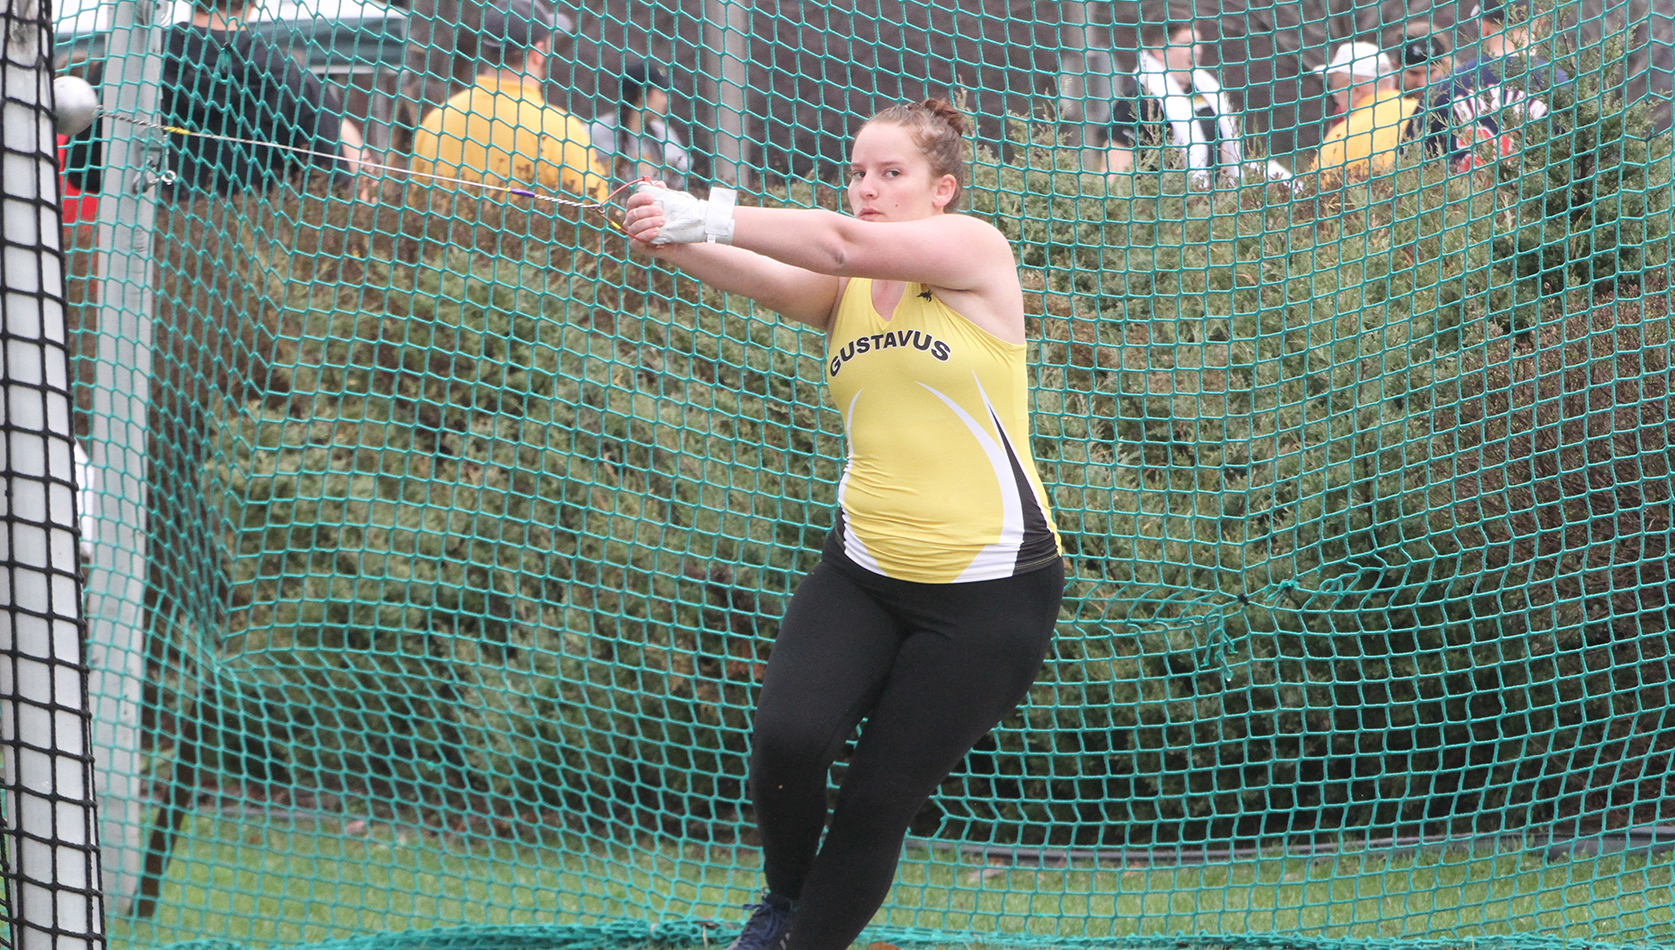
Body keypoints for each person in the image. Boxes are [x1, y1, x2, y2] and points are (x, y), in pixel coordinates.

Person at [622, 99, 1064, 950]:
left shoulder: (977, 251)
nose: (866, 188)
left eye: (889, 173)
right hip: (861, 571)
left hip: (989, 595)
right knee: (788, 738)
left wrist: (708, 208)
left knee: (875, 801)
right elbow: (766, 273)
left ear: (943, 189)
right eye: (856, 172)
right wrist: (666, 231)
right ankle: (785, 903)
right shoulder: (849, 290)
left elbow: (836, 240)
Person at [161, 0, 367, 197]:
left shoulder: (147, 60)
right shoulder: (294, 79)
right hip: (258, 224)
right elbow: (330, 181)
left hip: (152, 222)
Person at [410, 0, 607, 201]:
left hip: (445, 233)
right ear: (538, 52)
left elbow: (415, 209)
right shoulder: (561, 130)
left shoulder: (436, 122)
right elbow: (593, 213)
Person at [1104, 22, 1288, 185]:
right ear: (1159, 50)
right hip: (1164, 210)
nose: (1197, 50)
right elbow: (1117, 163)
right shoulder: (1139, 98)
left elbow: (1225, 149)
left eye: (1198, 42)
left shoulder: (1207, 90)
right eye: (1186, 44)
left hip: (1212, 207)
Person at [1415, 0, 1569, 172]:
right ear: (1540, 23)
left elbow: (1411, 165)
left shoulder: (1443, 87)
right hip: (1540, 196)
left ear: (1482, 25)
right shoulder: (1564, 84)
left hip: (1465, 195)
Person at [1303, 41, 1419, 183]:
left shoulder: (1343, 134)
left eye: (1337, 92)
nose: (1337, 101)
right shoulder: (1423, 109)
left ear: (1355, 88)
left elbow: (1312, 196)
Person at [588, 59, 692, 191]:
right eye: (661, 93)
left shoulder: (664, 134)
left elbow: (682, 180)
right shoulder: (595, 133)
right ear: (642, 94)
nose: (667, 100)